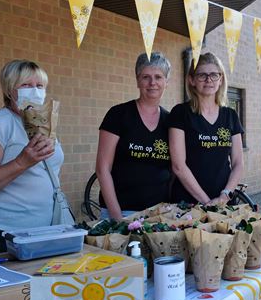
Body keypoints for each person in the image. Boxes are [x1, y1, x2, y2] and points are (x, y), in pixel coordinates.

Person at [0, 60, 61, 255]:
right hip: (3, 232)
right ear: (10, 90)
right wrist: (22, 162)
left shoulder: (40, 124)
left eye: (39, 86)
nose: (35, 91)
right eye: (26, 85)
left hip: (44, 228)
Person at [96, 52, 172, 220]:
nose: (152, 83)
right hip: (121, 212)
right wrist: (117, 218)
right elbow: (102, 169)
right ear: (138, 80)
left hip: (159, 215)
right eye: (146, 77)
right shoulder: (118, 115)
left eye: (158, 77)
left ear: (166, 82)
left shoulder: (171, 121)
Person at [168, 52, 244, 205]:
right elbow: (178, 166)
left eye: (214, 75)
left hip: (224, 203)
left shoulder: (230, 115)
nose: (209, 80)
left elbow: (238, 163)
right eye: (202, 75)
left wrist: (225, 195)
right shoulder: (180, 113)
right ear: (192, 80)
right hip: (187, 204)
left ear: (221, 79)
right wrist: (207, 202)